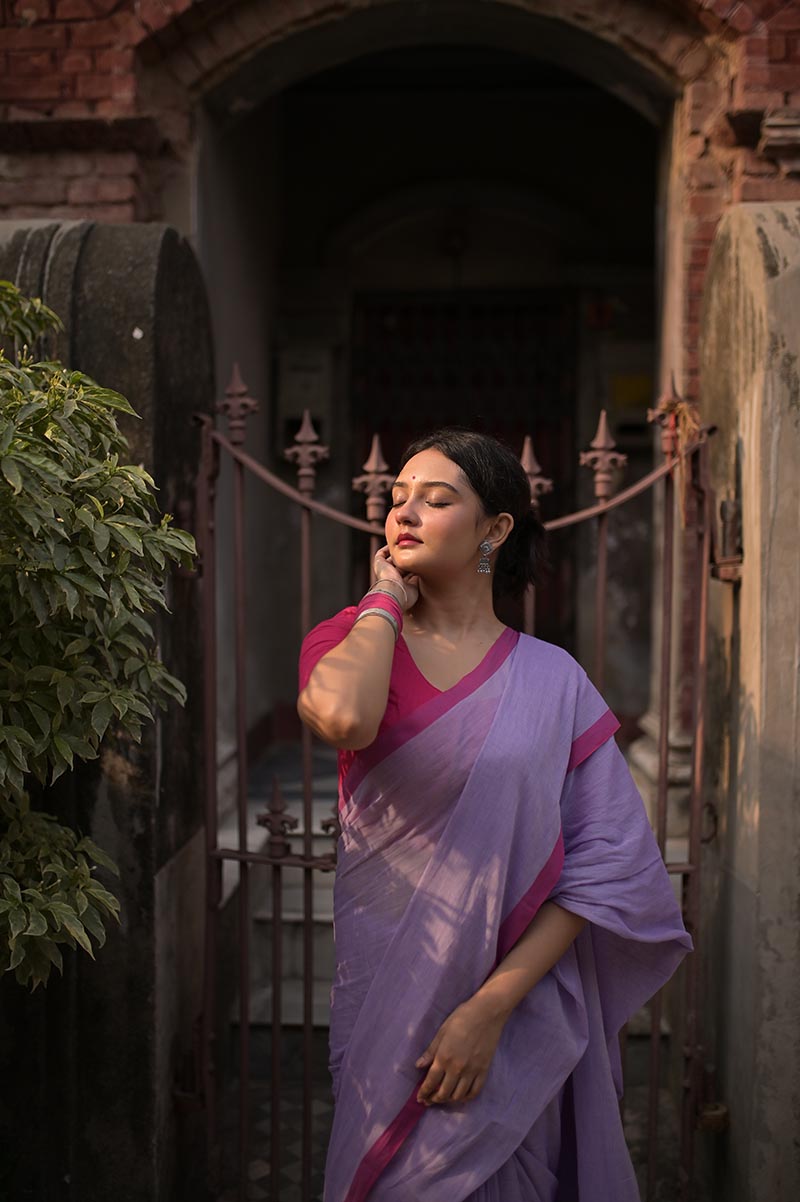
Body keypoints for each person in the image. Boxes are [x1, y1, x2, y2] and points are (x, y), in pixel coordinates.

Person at [297, 428, 691, 1202]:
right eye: (397, 497)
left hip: (513, 1011)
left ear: (495, 529)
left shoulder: (555, 681)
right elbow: (343, 720)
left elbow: (604, 865)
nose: (405, 513)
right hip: (386, 995)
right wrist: (382, 598)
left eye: (437, 499)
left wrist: (488, 1011)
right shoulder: (351, 640)